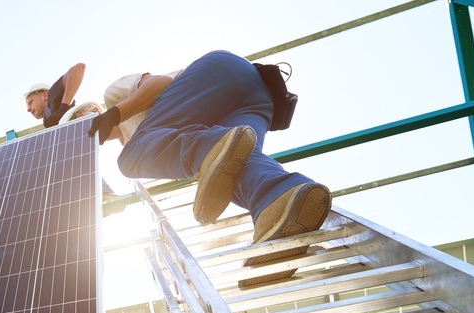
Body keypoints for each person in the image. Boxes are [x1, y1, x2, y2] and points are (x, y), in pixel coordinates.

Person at [87, 50, 331, 287]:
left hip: (219, 74)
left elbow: (159, 82)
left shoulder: (113, 100)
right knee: (230, 167)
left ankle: (211, 148)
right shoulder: (144, 137)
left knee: (131, 158)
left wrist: (114, 114)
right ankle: (278, 198)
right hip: (256, 99)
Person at [23, 63, 119, 202]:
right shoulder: (48, 119)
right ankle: (104, 195)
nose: (28, 109)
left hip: (82, 126)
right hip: (82, 135)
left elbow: (79, 67)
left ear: (44, 95)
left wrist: (64, 107)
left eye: (30, 102)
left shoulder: (53, 97)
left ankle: (104, 194)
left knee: (73, 161)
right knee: (73, 162)